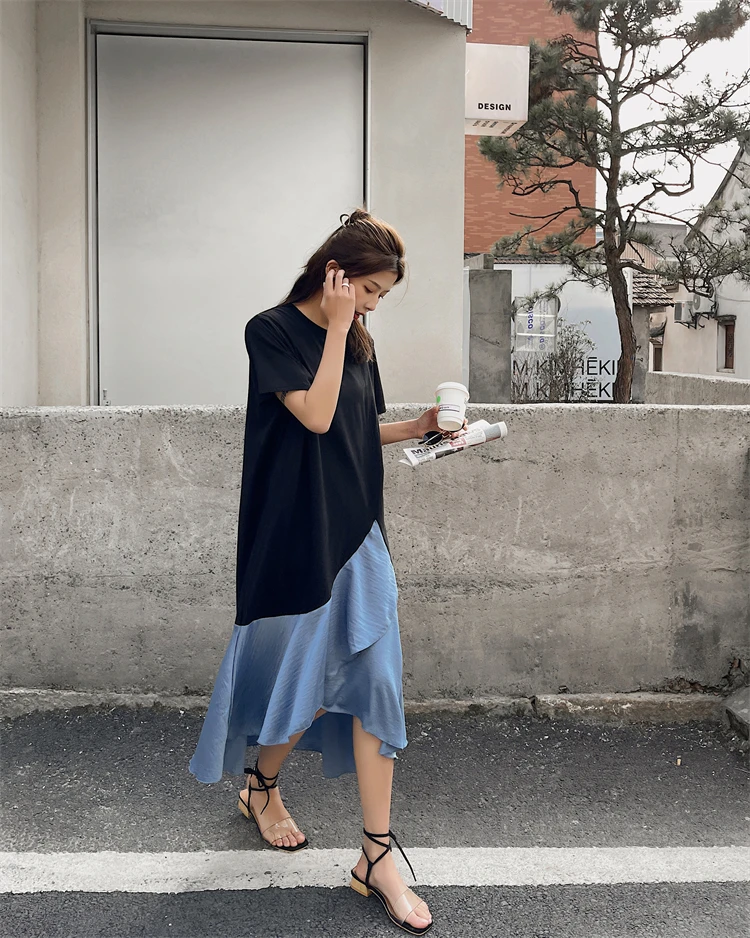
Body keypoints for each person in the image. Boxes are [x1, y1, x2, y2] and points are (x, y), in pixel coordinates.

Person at [189, 208, 450, 935]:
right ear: (335, 274)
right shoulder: (270, 331)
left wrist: (421, 427)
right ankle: (261, 786)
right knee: (300, 684)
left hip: (358, 531)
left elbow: (353, 429)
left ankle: (377, 853)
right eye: (368, 291)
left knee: (375, 682)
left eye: (380, 297)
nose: (373, 307)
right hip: (297, 536)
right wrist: (337, 327)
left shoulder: (357, 338)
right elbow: (313, 415)